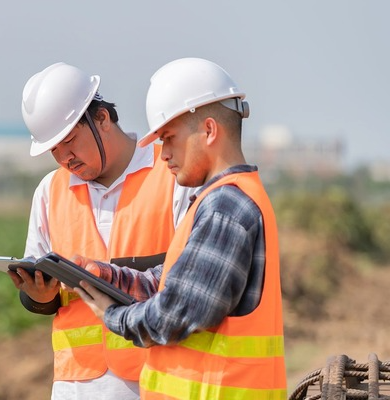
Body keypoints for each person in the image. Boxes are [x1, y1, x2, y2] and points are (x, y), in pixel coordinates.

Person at [73, 57, 287, 399]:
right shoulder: (216, 201)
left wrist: (114, 316)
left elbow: (177, 312)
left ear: (209, 130)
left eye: (169, 138)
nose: (163, 154)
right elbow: (169, 283)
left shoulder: (226, 207)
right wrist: (107, 276)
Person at [8, 62, 192, 399]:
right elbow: (41, 293)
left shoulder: (171, 175)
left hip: (156, 378)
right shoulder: (50, 191)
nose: (65, 157)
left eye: (70, 141)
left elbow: (187, 280)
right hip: (75, 384)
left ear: (103, 118)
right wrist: (38, 296)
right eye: (54, 150)